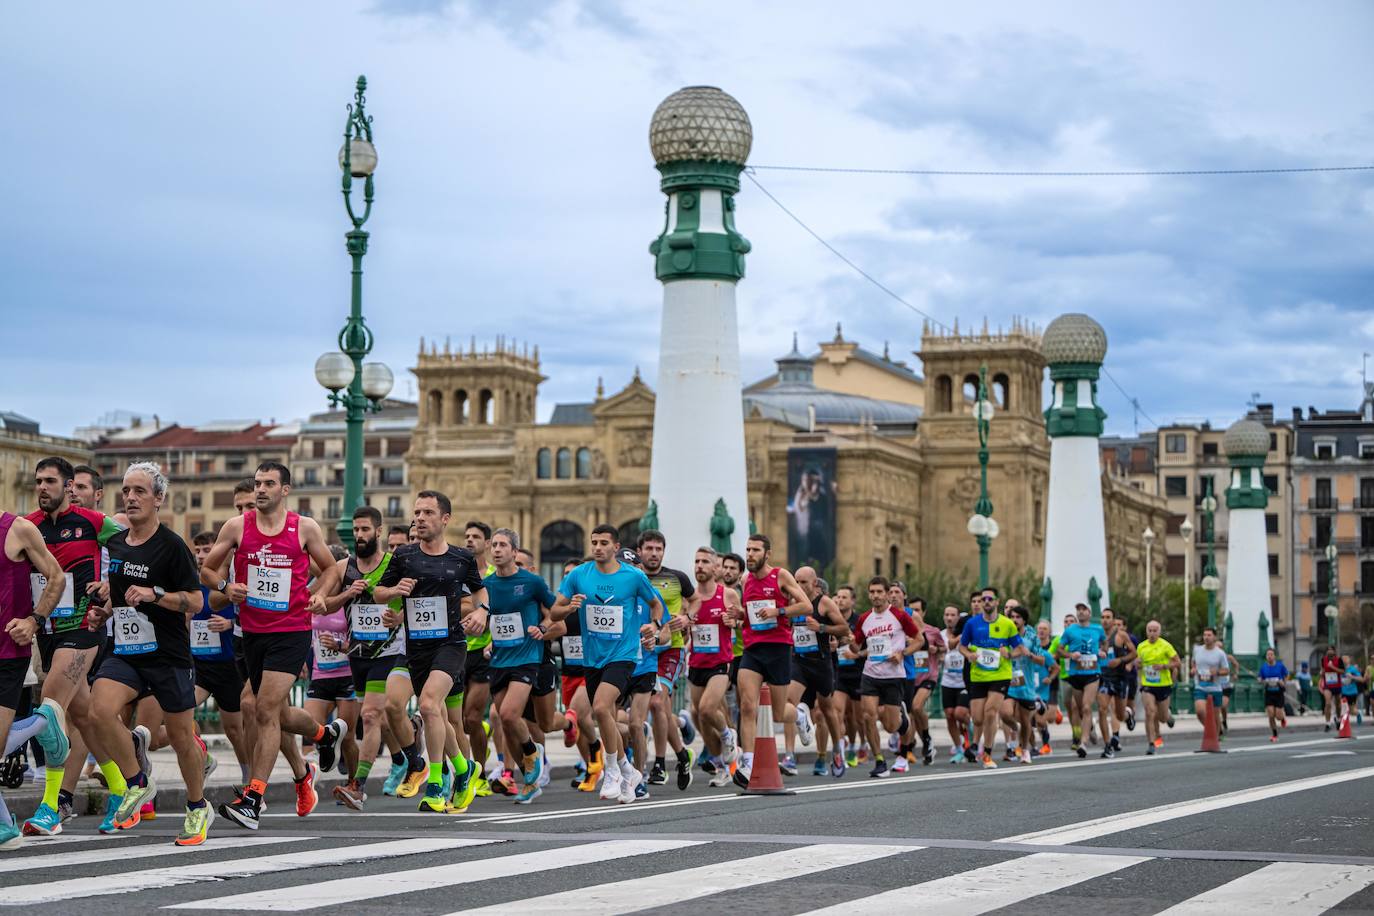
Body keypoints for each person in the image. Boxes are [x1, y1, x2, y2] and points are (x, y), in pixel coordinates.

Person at [202, 462, 343, 829]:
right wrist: (224, 589)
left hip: (292, 630)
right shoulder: (236, 527)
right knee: (267, 710)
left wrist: (321, 596)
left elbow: (329, 570)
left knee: (262, 708)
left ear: (285, 490)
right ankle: (322, 736)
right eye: (258, 483)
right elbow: (206, 571)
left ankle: (254, 797)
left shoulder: (304, 527)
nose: (260, 490)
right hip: (252, 632)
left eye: (268, 484)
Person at [84, 463, 212, 845]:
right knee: (97, 712)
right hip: (126, 651)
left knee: (180, 736)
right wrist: (105, 612)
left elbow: (194, 599)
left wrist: (156, 594)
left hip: (168, 655)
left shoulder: (172, 546)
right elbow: (123, 597)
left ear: (158, 499)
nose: (131, 497)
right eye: (126, 490)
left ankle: (196, 806)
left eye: (140, 491)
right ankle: (138, 781)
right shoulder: (118, 543)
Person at [19, 457, 124, 836]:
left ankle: (50, 806)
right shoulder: (28, 526)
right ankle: (121, 787)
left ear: (68, 486)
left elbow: (133, 549)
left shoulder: (95, 523)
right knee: (84, 716)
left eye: (50, 481)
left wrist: (114, 583)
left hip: (84, 624)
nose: (42, 487)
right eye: (38, 481)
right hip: (45, 629)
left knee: (49, 707)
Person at [374, 492, 487, 813]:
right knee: (435, 713)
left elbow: (480, 590)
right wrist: (395, 591)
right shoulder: (404, 556)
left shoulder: (460, 558)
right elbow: (380, 593)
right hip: (417, 647)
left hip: (450, 644)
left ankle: (436, 783)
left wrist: (483, 612)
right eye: (417, 512)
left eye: (427, 512)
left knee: (427, 705)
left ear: (445, 519)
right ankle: (465, 770)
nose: (420, 518)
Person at [550, 525, 663, 803]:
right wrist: (569, 607)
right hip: (593, 658)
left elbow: (656, 604)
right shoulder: (579, 575)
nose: (598, 547)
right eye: (594, 542)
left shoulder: (633, 576)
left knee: (600, 707)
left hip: (624, 655)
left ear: (616, 547)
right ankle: (627, 769)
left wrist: (654, 624)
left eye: (603, 543)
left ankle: (611, 770)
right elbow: (554, 611)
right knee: (604, 717)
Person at [324, 507, 416, 811]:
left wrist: (400, 617)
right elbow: (324, 605)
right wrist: (348, 593)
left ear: (378, 532)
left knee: (371, 716)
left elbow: (419, 602)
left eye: (366, 530)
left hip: (390, 651)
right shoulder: (343, 567)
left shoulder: (395, 564)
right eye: (356, 531)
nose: (360, 536)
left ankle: (357, 786)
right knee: (381, 718)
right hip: (358, 653)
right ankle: (410, 756)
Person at [0, 507, 70, 850]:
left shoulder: (18, 529)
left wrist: (34, 621)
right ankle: (3, 825)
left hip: (7, 652)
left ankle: (43, 721)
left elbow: (56, 577)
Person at [484, 528, 560, 804]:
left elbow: (557, 613)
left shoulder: (532, 582)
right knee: (505, 721)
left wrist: (543, 627)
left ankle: (531, 752)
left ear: (515, 552)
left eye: (503, 545)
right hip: (500, 659)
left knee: (508, 713)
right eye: (494, 544)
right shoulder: (487, 585)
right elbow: (486, 617)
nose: (497, 549)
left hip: (528, 658)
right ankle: (529, 779)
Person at [728, 534, 810, 788]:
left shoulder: (781, 576)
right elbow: (750, 614)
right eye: (747, 549)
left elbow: (806, 606)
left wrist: (779, 611)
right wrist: (739, 614)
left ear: (767, 554)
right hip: (752, 648)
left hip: (778, 648)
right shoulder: (745, 580)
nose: (750, 554)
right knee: (748, 705)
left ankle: (798, 715)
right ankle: (749, 762)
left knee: (777, 712)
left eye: (755, 550)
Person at [636, 530, 696, 789]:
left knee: (658, 701)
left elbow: (695, 601)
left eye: (658, 549)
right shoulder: (632, 578)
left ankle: (659, 764)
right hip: (643, 649)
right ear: (640, 551)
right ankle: (682, 754)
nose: (654, 553)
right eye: (649, 548)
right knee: (659, 707)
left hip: (671, 648)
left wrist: (687, 618)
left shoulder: (677, 577)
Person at [188, 531, 249, 783]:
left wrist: (230, 622)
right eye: (198, 550)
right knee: (182, 714)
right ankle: (204, 759)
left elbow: (246, 613)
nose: (201, 555)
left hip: (227, 665)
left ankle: (249, 774)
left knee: (234, 729)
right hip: (199, 664)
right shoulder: (189, 581)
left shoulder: (229, 581)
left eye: (207, 550)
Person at [849, 577, 923, 778]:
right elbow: (856, 647)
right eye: (872, 592)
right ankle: (880, 761)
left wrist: (902, 653)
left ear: (887, 594)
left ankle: (902, 721)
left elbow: (919, 640)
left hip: (893, 676)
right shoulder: (864, 619)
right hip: (870, 674)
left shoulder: (899, 616)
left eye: (879, 592)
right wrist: (849, 641)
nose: (875, 596)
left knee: (891, 726)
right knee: (868, 716)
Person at [784, 566, 848, 778]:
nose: (799, 586)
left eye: (803, 582)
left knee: (827, 711)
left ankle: (837, 749)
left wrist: (821, 628)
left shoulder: (824, 603)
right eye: (797, 581)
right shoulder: (794, 603)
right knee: (789, 703)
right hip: (799, 661)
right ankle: (789, 756)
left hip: (821, 663)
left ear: (814, 584)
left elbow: (843, 628)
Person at [685, 546, 740, 787]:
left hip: (720, 662)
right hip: (697, 663)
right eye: (697, 561)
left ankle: (729, 735)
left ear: (715, 567)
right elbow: (686, 635)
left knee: (708, 709)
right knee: (699, 716)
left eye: (705, 561)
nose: (699, 566)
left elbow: (740, 621)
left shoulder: (727, 594)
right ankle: (722, 764)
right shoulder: (690, 599)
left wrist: (733, 621)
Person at [958, 587, 1024, 768]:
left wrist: (1009, 654)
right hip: (978, 675)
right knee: (977, 718)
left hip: (1000, 674)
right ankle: (999, 735)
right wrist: (968, 655)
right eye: (983, 599)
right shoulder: (972, 624)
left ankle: (987, 754)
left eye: (989, 599)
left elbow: (1020, 649)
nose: (986, 602)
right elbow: (961, 647)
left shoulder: (1007, 624)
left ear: (996, 602)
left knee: (990, 713)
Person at [1056, 603, 1106, 759]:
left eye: (1084, 609)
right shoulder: (1070, 630)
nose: (1081, 612)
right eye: (1078, 610)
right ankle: (1089, 726)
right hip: (1076, 673)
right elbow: (1059, 649)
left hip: (1092, 673)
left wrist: (1101, 651)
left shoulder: (1097, 629)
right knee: (1079, 707)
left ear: (1089, 613)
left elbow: (1104, 642)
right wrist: (1070, 655)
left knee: (1086, 707)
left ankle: (1083, 743)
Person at [1135, 619, 1180, 754]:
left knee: (1162, 718)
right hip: (1148, 684)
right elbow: (1139, 663)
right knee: (1150, 712)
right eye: (1150, 630)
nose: (1152, 633)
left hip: (1163, 684)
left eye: (1155, 631)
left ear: (1159, 632)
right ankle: (1151, 743)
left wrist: (1164, 666)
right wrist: (1138, 666)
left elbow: (1177, 663)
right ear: (1146, 632)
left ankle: (1168, 716)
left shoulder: (1166, 646)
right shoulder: (1141, 646)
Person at [938, 605, 970, 764]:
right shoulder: (941, 635)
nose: (949, 618)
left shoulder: (968, 633)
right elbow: (938, 651)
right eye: (947, 614)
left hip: (964, 681)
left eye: (952, 615)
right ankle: (959, 748)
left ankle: (971, 730)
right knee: (950, 715)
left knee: (960, 713)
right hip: (948, 681)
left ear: (958, 618)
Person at [1191, 626, 1229, 732]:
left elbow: (1226, 670)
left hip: (1215, 688)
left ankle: (1216, 735)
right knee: (1200, 712)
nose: (1206, 637)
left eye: (1209, 635)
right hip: (1200, 686)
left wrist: (1217, 672)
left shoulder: (1220, 653)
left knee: (1215, 715)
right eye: (1204, 635)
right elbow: (1194, 662)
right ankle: (1211, 730)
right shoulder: (1197, 650)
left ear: (1214, 637)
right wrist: (1193, 669)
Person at [1258, 648, 1289, 741]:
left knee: (1278, 717)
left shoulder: (1280, 666)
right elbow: (1260, 678)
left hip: (1279, 693)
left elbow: (1287, 674)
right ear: (1266, 657)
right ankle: (1275, 734)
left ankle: (1283, 718)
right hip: (1269, 693)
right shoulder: (1263, 667)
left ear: (1274, 656)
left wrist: (1283, 682)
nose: (1270, 656)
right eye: (1268, 655)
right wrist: (1261, 680)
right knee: (1271, 715)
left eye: (1271, 654)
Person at [1319, 644, 1342, 730]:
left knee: (1338, 705)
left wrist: (1333, 667)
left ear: (1334, 651)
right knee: (1328, 703)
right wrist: (1321, 674)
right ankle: (1328, 723)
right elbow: (1322, 670)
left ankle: (1338, 719)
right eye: (1327, 650)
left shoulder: (1339, 660)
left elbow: (1342, 671)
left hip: (1337, 685)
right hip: (1327, 685)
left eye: (1331, 650)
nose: (1329, 651)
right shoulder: (1323, 660)